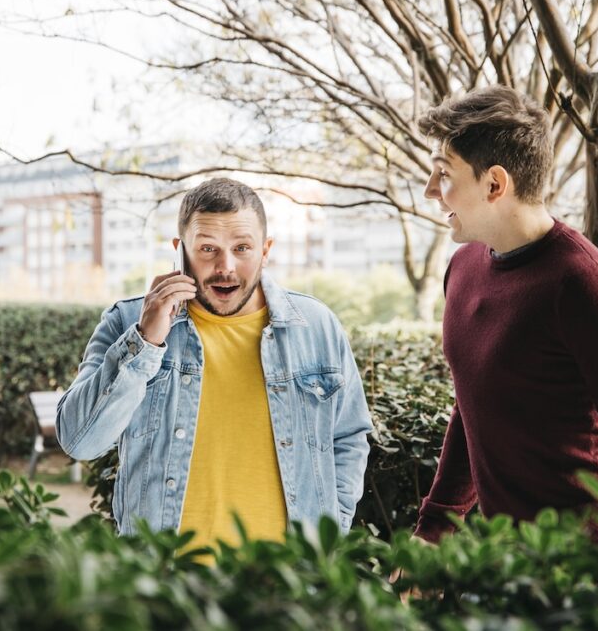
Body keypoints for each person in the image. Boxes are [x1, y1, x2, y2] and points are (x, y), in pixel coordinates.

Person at [413, 85, 598, 542]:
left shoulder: (588, 287)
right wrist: (434, 529)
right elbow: (472, 405)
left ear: (495, 184)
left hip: (580, 568)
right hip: (505, 559)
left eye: (444, 174)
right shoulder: (464, 267)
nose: (431, 190)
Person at [57, 178, 372, 547]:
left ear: (265, 250)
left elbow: (349, 437)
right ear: (180, 252)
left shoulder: (317, 326)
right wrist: (145, 340)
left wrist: (330, 531)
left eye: (242, 248)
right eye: (208, 249)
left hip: (291, 583)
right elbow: (79, 441)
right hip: (166, 579)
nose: (226, 266)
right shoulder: (127, 322)